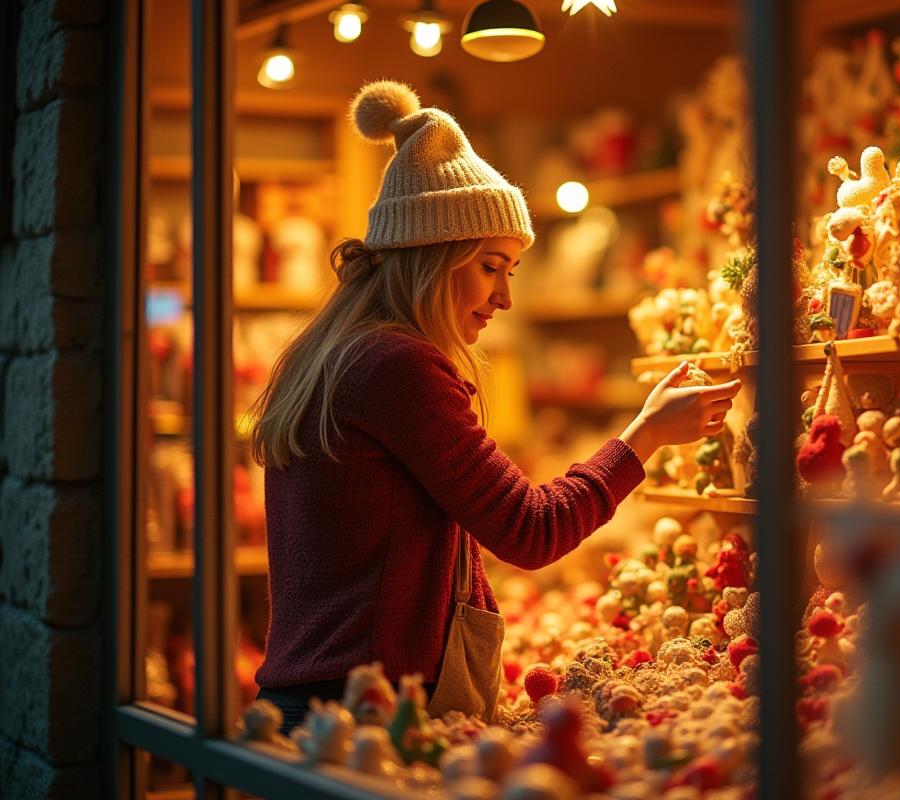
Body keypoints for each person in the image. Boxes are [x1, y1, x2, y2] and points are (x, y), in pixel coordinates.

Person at [250, 80, 741, 731]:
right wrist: (645, 435)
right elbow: (531, 531)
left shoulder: (334, 354)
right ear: (434, 257)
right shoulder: (398, 366)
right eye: (492, 265)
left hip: (313, 700)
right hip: (372, 709)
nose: (504, 296)